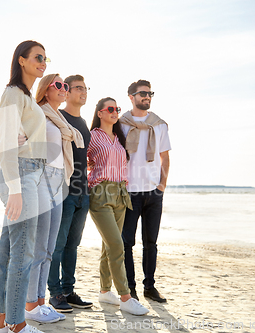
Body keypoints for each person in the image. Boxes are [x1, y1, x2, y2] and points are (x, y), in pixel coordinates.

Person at [0, 40, 50, 333]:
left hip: (29, 173)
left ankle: (1, 321)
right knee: (23, 253)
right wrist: (15, 188)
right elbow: (5, 143)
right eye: (38, 57)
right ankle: (17, 323)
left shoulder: (24, 96)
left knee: (8, 252)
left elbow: (16, 135)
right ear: (21, 60)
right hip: (22, 176)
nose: (43, 62)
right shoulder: (13, 93)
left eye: (45, 58)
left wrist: (23, 136)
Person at [24, 74, 84, 323]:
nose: (63, 89)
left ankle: (41, 303)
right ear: (45, 89)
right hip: (41, 178)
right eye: (58, 85)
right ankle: (30, 305)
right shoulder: (38, 113)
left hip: (61, 180)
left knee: (49, 248)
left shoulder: (60, 119)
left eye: (65, 86)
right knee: (39, 247)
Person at [87, 97, 149, 316]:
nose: (115, 112)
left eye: (117, 109)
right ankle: (125, 296)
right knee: (117, 245)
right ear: (100, 113)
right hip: (100, 193)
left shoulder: (118, 137)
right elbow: (80, 160)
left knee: (108, 246)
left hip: (121, 194)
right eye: (110, 109)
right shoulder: (92, 136)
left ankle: (105, 291)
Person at [119, 79, 171, 303]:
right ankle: (130, 289)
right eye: (142, 93)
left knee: (151, 243)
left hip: (153, 192)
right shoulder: (121, 124)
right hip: (129, 191)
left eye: (150, 93)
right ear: (131, 96)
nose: (147, 97)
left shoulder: (159, 124)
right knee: (126, 243)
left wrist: (162, 185)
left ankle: (149, 286)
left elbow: (165, 156)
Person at [47, 75, 93, 312]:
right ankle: (54, 293)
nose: (83, 92)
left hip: (82, 192)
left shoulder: (83, 122)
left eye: (86, 88)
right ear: (67, 90)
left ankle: (68, 290)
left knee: (72, 245)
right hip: (64, 190)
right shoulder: (58, 117)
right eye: (78, 88)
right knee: (58, 244)